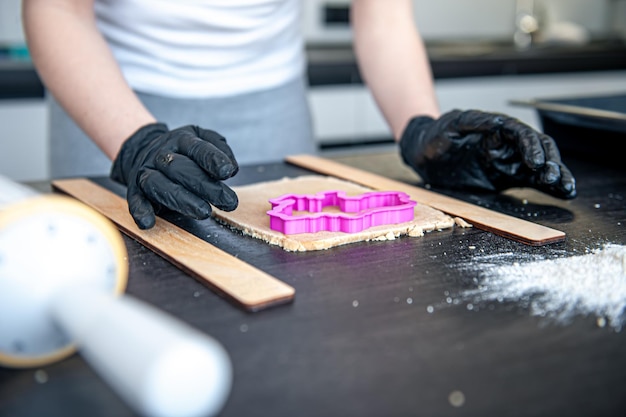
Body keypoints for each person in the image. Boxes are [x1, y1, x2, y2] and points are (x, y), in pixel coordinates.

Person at [22, 0, 577, 230]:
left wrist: (420, 129)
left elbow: (380, 16)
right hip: (109, 108)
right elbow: (54, 8)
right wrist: (134, 140)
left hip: (271, 107)